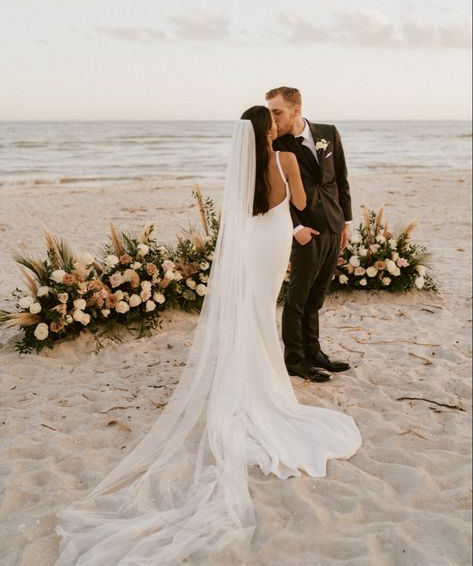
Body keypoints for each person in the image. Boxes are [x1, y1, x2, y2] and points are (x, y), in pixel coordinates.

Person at [54, 107, 361, 566]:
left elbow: (238, 217)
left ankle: (247, 379)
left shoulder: (244, 165)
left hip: (254, 243)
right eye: (272, 121)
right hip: (277, 242)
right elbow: (298, 199)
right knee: (262, 310)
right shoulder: (286, 158)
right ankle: (267, 387)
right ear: (268, 129)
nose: (278, 124)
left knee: (250, 311)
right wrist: (299, 218)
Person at [268, 86, 354, 383]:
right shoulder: (276, 144)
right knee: (297, 298)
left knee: (316, 298)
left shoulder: (328, 133)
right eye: (269, 112)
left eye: (277, 112)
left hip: (333, 224)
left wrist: (345, 221)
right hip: (304, 230)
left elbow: (340, 178)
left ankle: (314, 353)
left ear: (296, 109)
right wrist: (295, 228)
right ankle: (294, 360)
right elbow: (276, 193)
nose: (273, 118)